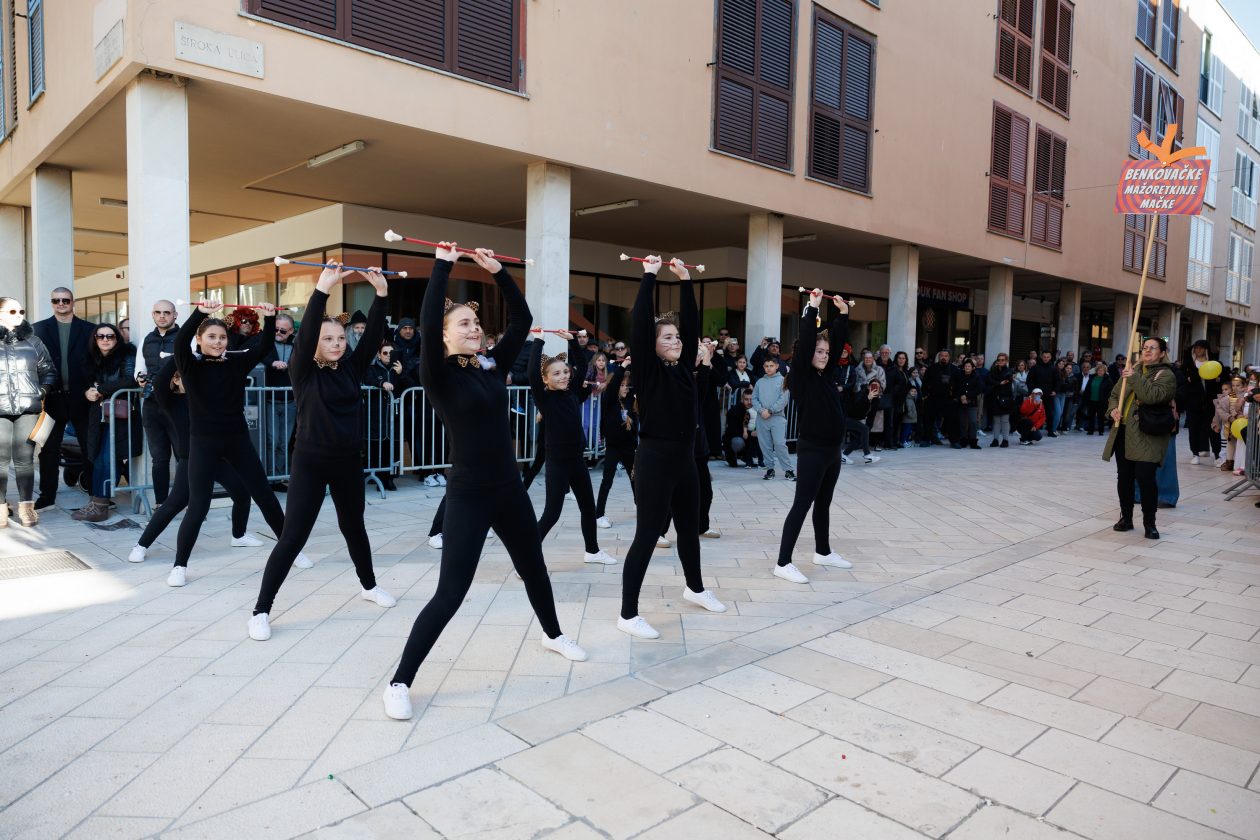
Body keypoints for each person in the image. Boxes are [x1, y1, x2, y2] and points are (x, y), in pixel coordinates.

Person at [384, 244, 587, 721]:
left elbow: (522, 319)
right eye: (464, 326)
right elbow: (430, 311)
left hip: (509, 488)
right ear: (443, 335)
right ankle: (399, 681)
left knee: (534, 567)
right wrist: (442, 266)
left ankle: (553, 635)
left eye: (475, 325)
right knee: (451, 592)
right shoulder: (438, 373)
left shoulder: (491, 365)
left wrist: (497, 272)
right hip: (470, 493)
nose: (473, 330)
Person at [249, 263, 398, 641]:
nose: (336, 344)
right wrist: (322, 289)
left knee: (354, 527)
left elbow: (373, 337)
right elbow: (306, 333)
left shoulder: (351, 367)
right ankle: (261, 610)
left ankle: (368, 586)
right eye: (328, 338)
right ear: (314, 341)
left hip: (348, 461)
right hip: (311, 462)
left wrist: (381, 294)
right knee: (294, 536)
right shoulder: (302, 369)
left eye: (340, 338)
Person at [617, 256, 726, 641]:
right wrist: (649, 275)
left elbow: (692, 327)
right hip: (655, 459)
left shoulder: (683, 369)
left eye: (677, 337)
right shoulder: (647, 369)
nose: (676, 340)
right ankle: (628, 613)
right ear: (652, 344)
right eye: (667, 337)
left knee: (688, 529)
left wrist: (683, 280)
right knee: (647, 534)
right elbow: (640, 323)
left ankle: (695, 588)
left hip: (685, 460)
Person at [171, 300, 293, 587]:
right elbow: (179, 341)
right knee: (198, 506)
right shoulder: (190, 365)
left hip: (237, 440)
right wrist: (200, 313)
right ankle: (179, 565)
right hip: (203, 443)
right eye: (211, 337)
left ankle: (291, 549)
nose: (217, 342)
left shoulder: (237, 362)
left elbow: (263, 346)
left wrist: (269, 316)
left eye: (222, 337)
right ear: (199, 340)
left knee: (263, 494)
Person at [127, 359, 260, 563]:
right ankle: (141, 545)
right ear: (177, 380)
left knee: (242, 494)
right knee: (175, 503)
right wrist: (183, 353)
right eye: (187, 378)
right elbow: (162, 380)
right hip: (192, 460)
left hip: (218, 457)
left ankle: (239, 536)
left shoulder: (206, 398)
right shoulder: (169, 400)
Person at [773, 289, 855, 584]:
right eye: (818, 352)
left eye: (826, 352)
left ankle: (823, 551)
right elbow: (807, 341)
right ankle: (783, 562)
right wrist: (812, 308)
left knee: (824, 503)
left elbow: (838, 338)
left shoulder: (827, 375)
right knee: (803, 503)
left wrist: (843, 313)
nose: (823, 356)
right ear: (807, 354)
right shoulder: (801, 377)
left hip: (833, 451)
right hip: (812, 451)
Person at [528, 334, 616, 565]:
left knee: (588, 508)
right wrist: (538, 342)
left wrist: (573, 342)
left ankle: (593, 551)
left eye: (565, 372)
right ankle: (527, 559)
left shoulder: (573, 393)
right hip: (557, 463)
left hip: (577, 462)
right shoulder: (544, 398)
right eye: (556, 374)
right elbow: (531, 374)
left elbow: (585, 368)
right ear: (545, 379)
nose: (563, 376)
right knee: (552, 513)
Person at [1104, 337, 1177, 540]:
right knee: (1124, 477)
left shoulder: (1166, 374)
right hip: (1124, 431)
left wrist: (1134, 377)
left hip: (1148, 434)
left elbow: (1152, 396)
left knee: (1145, 478)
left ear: (1162, 353)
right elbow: (1114, 395)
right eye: (1145, 348)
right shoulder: (1132, 370)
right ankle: (1126, 518)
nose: (1147, 351)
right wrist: (1113, 411)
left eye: (1153, 348)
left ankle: (1150, 523)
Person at [32, 287, 95, 508]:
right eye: (56, 300)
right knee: (48, 449)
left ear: (73, 302)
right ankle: (47, 495)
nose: (61, 303)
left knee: (90, 446)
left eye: (65, 300)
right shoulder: (38, 329)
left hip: (83, 398)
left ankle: (96, 494)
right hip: (51, 399)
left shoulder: (90, 329)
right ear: (51, 303)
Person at [72, 323, 137, 522]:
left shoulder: (126, 355)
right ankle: (97, 501)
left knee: (108, 458)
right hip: (99, 416)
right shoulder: (92, 359)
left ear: (117, 339)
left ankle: (100, 506)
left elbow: (130, 380)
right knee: (99, 457)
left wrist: (101, 389)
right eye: (101, 336)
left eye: (110, 336)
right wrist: (88, 391)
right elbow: (85, 384)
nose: (105, 339)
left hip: (120, 416)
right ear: (95, 339)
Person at [0, 297, 56, 527]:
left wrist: (40, 392)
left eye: (21, 310)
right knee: (0, 461)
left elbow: (49, 370)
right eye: (12, 310)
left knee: (24, 460)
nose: (19, 314)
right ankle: (1, 508)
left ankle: (26, 508)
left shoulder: (34, 341)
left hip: (28, 408)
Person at [136, 300, 181, 504]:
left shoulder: (185, 338)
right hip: (152, 405)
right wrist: (140, 377)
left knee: (184, 457)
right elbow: (140, 369)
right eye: (158, 312)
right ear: (152, 314)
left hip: (179, 404)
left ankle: (187, 502)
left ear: (175, 315)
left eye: (166, 312)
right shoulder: (147, 339)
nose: (162, 316)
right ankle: (161, 504)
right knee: (159, 459)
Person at [362, 340, 412, 490]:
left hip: (395, 416)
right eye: (385, 353)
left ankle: (390, 478)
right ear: (378, 354)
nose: (388, 356)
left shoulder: (400, 369)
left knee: (394, 446)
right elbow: (368, 379)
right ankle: (378, 476)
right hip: (376, 415)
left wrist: (401, 374)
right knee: (377, 446)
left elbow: (410, 386)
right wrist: (382, 383)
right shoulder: (371, 368)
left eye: (391, 353)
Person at [595, 362, 637, 528]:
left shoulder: (629, 401)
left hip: (628, 446)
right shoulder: (609, 400)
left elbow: (636, 380)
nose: (625, 388)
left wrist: (633, 363)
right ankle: (599, 515)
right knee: (607, 480)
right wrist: (623, 366)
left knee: (635, 477)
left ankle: (639, 503)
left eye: (627, 385)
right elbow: (612, 387)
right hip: (613, 446)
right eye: (622, 385)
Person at [259, 313, 298, 481]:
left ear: (290, 331)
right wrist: (271, 362)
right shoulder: (264, 341)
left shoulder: (297, 345)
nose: (278, 333)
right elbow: (254, 353)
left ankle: (280, 477)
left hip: (290, 401)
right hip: (270, 401)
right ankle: (268, 477)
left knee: (284, 442)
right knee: (271, 441)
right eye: (275, 329)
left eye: (282, 330)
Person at [751, 356, 795, 480]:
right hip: (762, 418)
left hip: (777, 417)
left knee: (780, 444)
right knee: (765, 445)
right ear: (763, 367)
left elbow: (783, 399)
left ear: (776, 366)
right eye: (766, 366)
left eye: (771, 366)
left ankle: (788, 470)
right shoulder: (760, 382)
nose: (769, 368)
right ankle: (770, 469)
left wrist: (770, 411)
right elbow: (754, 398)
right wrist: (761, 410)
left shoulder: (782, 380)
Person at [1181, 339, 1224, 465]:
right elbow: (1184, 380)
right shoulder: (1189, 364)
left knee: (1213, 428)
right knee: (1193, 428)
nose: (1199, 350)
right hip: (1193, 402)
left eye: (1201, 348)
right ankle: (1195, 453)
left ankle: (1217, 455)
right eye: (1197, 348)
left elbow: (1222, 380)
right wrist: (1195, 376)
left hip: (1211, 402)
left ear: (1206, 349)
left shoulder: (1214, 362)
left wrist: (1218, 379)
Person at [923, 350, 961, 446]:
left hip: (949, 399)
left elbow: (959, 384)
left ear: (949, 357)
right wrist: (926, 395)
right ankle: (926, 440)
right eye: (942, 356)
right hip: (933, 398)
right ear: (939, 357)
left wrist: (956, 398)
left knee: (952, 421)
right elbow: (925, 382)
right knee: (928, 420)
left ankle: (954, 441)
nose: (944, 357)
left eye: (946, 356)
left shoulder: (954, 370)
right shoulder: (932, 368)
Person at [1212, 375, 1247, 472]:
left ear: (1244, 385)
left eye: (1238, 385)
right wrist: (1231, 418)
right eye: (1234, 385)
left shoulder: (1247, 395)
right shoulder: (1229, 397)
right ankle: (1229, 462)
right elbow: (1219, 411)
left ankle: (1241, 463)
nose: (1235, 388)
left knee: (1243, 444)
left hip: (1245, 424)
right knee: (1230, 442)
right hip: (1231, 424)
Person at [724, 387, 761, 468]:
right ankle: (732, 457)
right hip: (735, 437)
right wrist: (750, 433)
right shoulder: (734, 411)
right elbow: (733, 430)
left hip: (750, 437)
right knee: (738, 442)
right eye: (746, 399)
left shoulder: (757, 409)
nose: (749, 402)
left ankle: (750, 458)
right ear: (742, 399)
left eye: (751, 399)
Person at [986, 353, 1015, 448]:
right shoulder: (993, 370)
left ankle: (1005, 440)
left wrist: (995, 382)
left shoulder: (1009, 371)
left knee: (1005, 420)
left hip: (1006, 398)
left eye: (1003, 360)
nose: (1000, 361)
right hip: (995, 398)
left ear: (1006, 361)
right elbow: (988, 379)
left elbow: (1006, 380)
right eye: (999, 360)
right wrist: (999, 383)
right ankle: (995, 439)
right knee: (996, 420)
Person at [1028, 351, 1059, 436]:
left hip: (1049, 395)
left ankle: (1050, 431)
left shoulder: (1054, 368)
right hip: (1037, 395)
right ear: (1041, 357)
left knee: (1050, 413)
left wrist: (1055, 390)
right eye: (1044, 356)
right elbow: (1030, 380)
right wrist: (1032, 392)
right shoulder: (1035, 368)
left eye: (1047, 357)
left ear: (1050, 358)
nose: (1046, 358)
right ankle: (1033, 430)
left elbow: (1057, 381)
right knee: (1035, 412)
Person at [1080, 362, 1113, 435]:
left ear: (1105, 371)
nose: (1100, 372)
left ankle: (1101, 430)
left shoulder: (1107, 379)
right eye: (1098, 370)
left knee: (1101, 416)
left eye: (1101, 370)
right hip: (1091, 400)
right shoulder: (1092, 378)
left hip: (1101, 401)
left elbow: (1110, 391)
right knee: (1091, 415)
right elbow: (1087, 388)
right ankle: (1090, 430)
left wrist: (1107, 399)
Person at [957, 358, 983, 449]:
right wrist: (961, 396)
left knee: (973, 422)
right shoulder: (959, 375)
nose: (967, 367)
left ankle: (973, 441)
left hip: (972, 402)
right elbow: (957, 387)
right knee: (962, 422)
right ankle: (963, 440)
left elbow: (979, 389)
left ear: (972, 367)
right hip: (961, 402)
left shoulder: (976, 376)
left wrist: (967, 395)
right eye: (965, 366)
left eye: (969, 366)